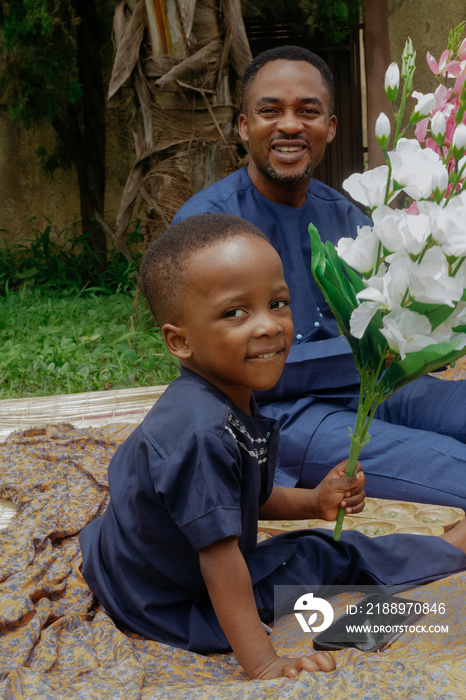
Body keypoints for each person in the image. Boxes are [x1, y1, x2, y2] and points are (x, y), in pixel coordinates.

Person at [80, 213, 466, 682]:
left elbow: (247, 497)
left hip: (123, 563)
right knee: (320, 556)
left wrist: (313, 500)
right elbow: (220, 563)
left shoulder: (229, 395)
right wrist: (266, 662)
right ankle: (446, 551)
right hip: (172, 603)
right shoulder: (202, 434)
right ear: (179, 341)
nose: (268, 326)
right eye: (234, 312)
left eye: (278, 303)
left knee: (309, 540)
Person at [172, 45, 466, 509]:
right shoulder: (209, 229)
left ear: (329, 127)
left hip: (375, 385)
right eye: (271, 111)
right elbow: (221, 365)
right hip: (281, 415)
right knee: (454, 465)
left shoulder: (347, 214)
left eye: (307, 111)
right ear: (245, 126)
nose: (290, 124)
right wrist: (371, 353)